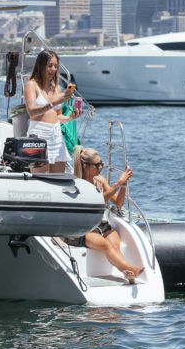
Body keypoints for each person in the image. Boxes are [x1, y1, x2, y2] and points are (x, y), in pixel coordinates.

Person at [72, 145, 144, 283]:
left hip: (102, 225)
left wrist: (123, 185)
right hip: (84, 229)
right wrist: (118, 183)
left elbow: (118, 203)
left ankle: (127, 273)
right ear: (86, 166)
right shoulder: (77, 184)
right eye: (97, 165)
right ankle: (132, 269)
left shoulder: (100, 180)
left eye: (102, 164)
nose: (100, 167)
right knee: (105, 245)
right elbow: (96, 201)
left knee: (115, 245)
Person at [24, 49, 79, 172]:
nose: (53, 69)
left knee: (58, 181)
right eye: (50, 66)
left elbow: (57, 117)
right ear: (41, 66)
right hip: (39, 135)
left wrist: (70, 117)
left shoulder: (57, 88)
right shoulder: (31, 85)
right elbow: (32, 112)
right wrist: (54, 103)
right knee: (39, 181)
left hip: (56, 136)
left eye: (55, 66)